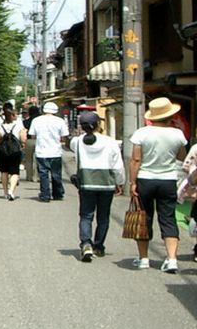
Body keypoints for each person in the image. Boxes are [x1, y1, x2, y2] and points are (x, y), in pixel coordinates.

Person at [130, 97, 186, 273]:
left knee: (143, 219)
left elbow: (136, 160)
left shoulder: (142, 133)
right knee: (168, 218)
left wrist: (132, 182)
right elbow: (181, 157)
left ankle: (144, 259)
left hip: (145, 179)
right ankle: (171, 259)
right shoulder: (177, 134)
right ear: (169, 116)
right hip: (168, 180)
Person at [70, 112, 124, 262]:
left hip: (86, 183)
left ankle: (86, 244)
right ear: (98, 125)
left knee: (86, 215)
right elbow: (118, 166)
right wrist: (120, 182)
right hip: (106, 183)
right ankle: (99, 246)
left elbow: (74, 146)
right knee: (103, 216)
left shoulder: (77, 141)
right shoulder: (110, 142)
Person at [28, 102, 69, 202]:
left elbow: (32, 136)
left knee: (43, 174)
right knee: (56, 174)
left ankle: (45, 195)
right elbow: (64, 137)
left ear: (43, 110)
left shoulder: (36, 120)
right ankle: (57, 194)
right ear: (55, 111)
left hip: (41, 151)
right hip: (55, 151)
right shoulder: (60, 121)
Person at [0, 107, 26, 201]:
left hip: (3, 152)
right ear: (12, 116)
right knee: (15, 172)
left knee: (4, 172)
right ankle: (11, 190)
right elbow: (23, 139)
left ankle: (5, 192)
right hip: (15, 152)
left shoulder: (0, 127)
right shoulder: (19, 126)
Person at [22, 106, 40, 182]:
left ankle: (29, 176)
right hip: (39, 140)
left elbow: (23, 132)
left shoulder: (25, 122)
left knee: (29, 160)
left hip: (29, 141)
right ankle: (37, 177)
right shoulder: (40, 121)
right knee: (39, 160)